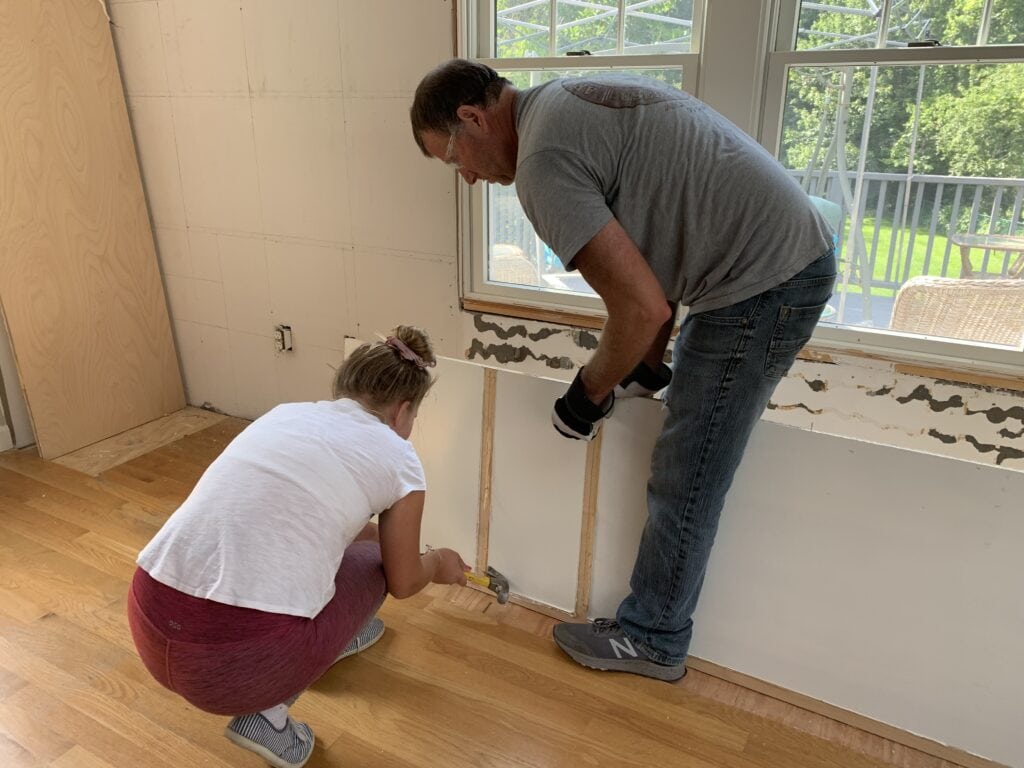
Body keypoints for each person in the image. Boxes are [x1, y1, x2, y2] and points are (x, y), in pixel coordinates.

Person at [410, 60, 837, 682]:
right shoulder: (560, 103)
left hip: (762, 281)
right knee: (687, 442)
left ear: (473, 118)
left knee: (689, 467)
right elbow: (653, 266)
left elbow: (640, 307)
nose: (469, 178)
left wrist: (585, 395)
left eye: (454, 159)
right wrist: (643, 367)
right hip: (776, 260)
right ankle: (653, 625)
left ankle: (655, 637)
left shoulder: (542, 164)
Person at [126, 326, 468, 768]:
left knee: (351, 545)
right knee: (380, 562)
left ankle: (330, 635)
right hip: (231, 668)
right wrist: (438, 562)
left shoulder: (285, 414)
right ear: (403, 412)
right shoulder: (399, 457)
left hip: (149, 622)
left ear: (343, 388)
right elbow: (403, 581)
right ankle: (267, 716)